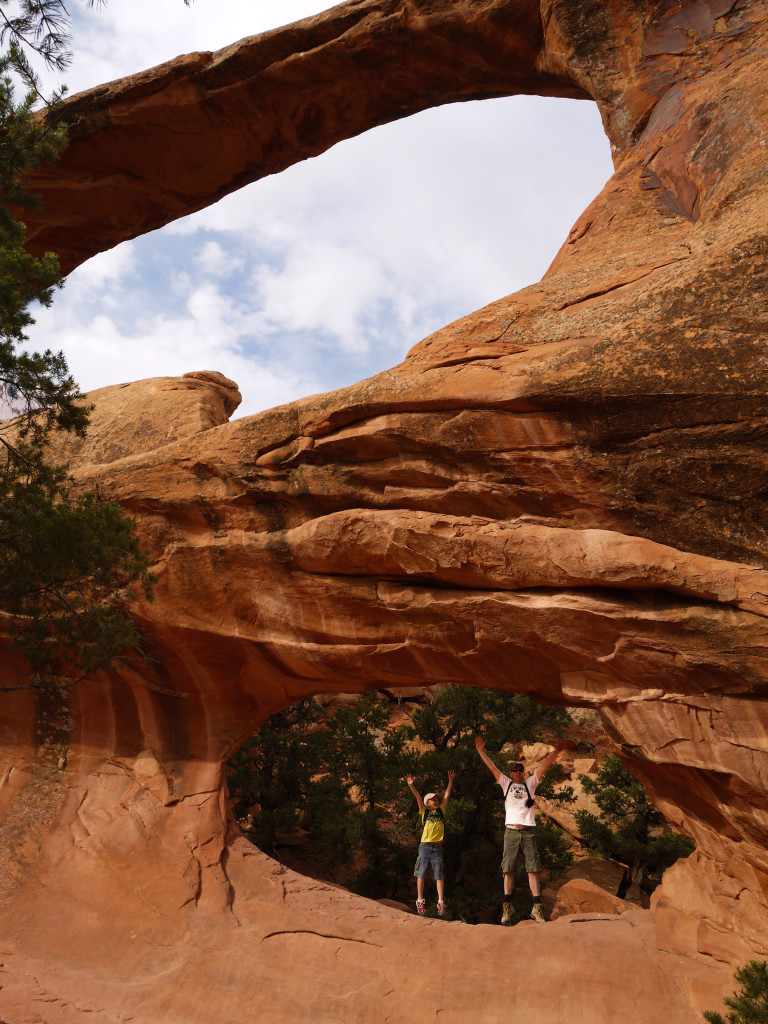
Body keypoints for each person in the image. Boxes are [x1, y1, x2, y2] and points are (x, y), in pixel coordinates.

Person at [475, 735, 569, 924]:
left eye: (520, 770)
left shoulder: (530, 784)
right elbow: (492, 767)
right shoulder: (506, 784)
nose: (518, 772)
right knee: (508, 869)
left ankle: (537, 907)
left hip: (528, 831)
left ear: (523, 773)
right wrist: (480, 751)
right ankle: (507, 906)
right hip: (511, 831)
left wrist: (556, 752)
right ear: (511, 773)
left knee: (532, 869)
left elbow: (543, 768)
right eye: (515, 770)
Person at [406, 771, 455, 917]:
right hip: (425, 846)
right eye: (433, 799)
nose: (436, 801)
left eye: (437, 799)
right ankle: (420, 900)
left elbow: (446, 796)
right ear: (427, 803)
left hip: (437, 847)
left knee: (439, 874)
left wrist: (450, 781)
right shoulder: (424, 812)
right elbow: (418, 797)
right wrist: (411, 786)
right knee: (421, 873)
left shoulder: (441, 811)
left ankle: (440, 902)